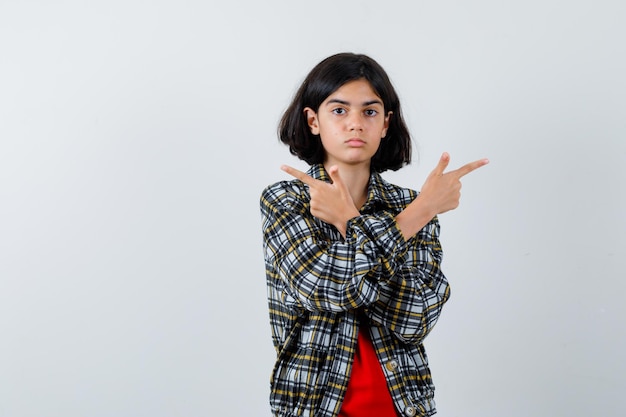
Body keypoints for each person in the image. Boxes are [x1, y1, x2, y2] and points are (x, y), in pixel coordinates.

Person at [260, 52, 488, 417]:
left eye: (369, 111)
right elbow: (322, 288)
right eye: (339, 110)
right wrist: (417, 215)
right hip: (314, 405)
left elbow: (415, 319)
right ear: (312, 120)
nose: (355, 124)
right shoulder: (286, 200)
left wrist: (352, 223)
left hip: (402, 404)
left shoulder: (408, 203)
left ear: (385, 124)